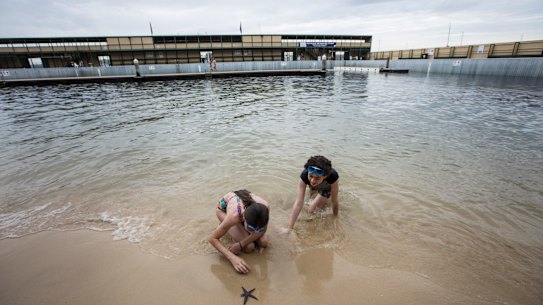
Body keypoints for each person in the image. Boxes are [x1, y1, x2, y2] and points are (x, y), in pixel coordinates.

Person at [208, 189, 270, 274]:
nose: (255, 232)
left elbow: (263, 231)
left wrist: (240, 244)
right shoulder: (235, 215)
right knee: (249, 247)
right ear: (244, 219)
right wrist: (232, 258)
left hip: (245, 206)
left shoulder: (264, 208)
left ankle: (235, 231)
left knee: (264, 243)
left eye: (258, 229)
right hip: (223, 209)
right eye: (251, 229)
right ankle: (225, 226)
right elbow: (212, 238)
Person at [279, 155, 339, 233]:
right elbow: (298, 203)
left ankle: (321, 198)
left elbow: (334, 200)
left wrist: (335, 216)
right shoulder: (304, 175)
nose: (313, 180)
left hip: (326, 188)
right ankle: (316, 191)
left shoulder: (332, 176)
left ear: (325, 176)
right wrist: (289, 228)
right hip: (314, 186)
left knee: (311, 209)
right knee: (311, 194)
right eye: (311, 176)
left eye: (317, 178)